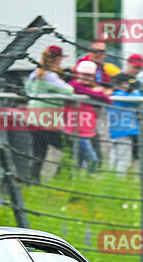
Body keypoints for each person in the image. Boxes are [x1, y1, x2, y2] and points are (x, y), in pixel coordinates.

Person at [24, 45, 73, 182]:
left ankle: (33, 180)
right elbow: (68, 91)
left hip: (33, 119)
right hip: (47, 121)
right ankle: (61, 177)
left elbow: (26, 88)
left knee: (39, 152)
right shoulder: (50, 76)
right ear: (57, 59)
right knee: (69, 148)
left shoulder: (35, 73)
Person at [67, 60, 112, 172]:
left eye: (89, 75)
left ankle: (77, 183)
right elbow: (104, 99)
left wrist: (98, 93)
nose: (86, 77)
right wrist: (100, 94)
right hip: (74, 130)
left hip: (86, 130)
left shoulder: (91, 89)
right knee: (93, 160)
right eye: (84, 74)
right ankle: (88, 181)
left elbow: (105, 101)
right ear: (78, 74)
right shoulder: (73, 85)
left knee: (79, 161)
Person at [107, 72, 141, 174]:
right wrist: (135, 90)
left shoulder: (114, 94)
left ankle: (110, 176)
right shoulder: (121, 95)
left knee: (115, 156)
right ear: (123, 84)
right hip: (124, 131)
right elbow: (138, 98)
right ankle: (118, 179)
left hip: (116, 131)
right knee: (123, 159)